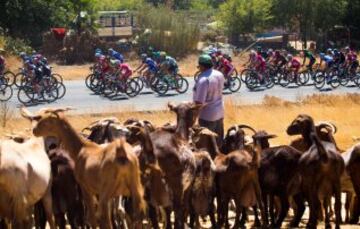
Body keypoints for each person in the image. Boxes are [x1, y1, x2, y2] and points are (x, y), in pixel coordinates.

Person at [193, 54, 224, 146]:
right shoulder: (219, 74)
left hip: (207, 116)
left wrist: (194, 119)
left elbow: (199, 103)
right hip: (220, 112)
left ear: (202, 66)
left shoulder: (203, 79)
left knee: (207, 145)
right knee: (219, 143)